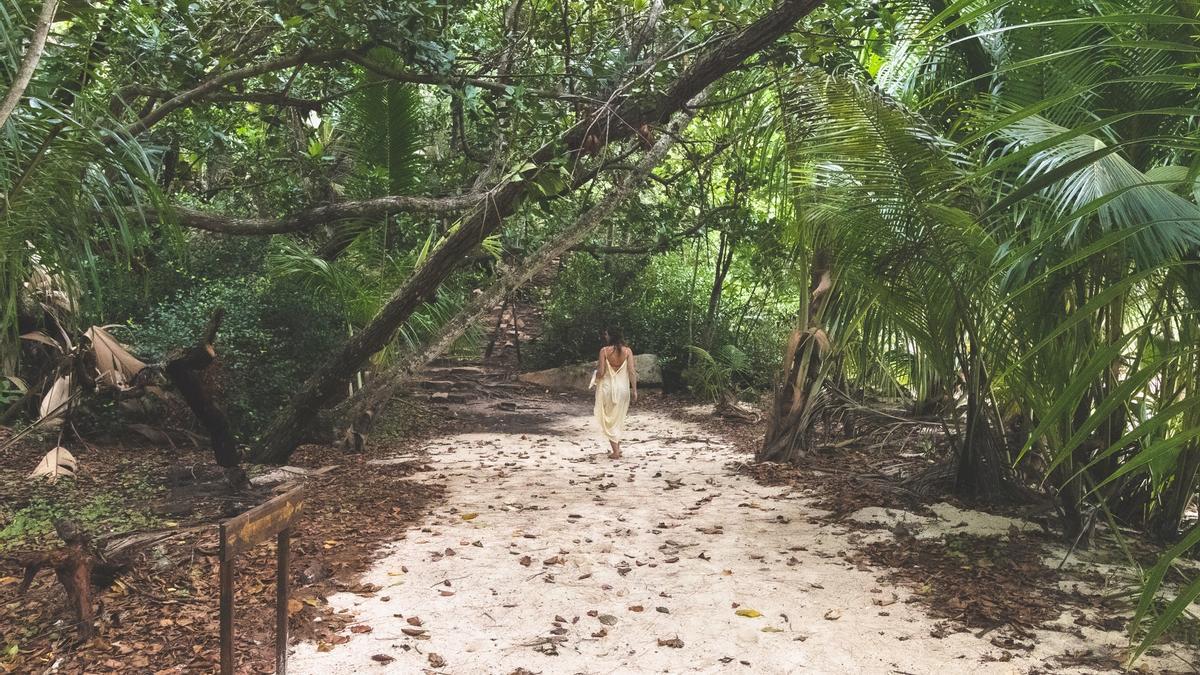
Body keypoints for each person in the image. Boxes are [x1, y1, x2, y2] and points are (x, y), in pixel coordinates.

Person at [592, 327, 637, 459]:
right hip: (623, 389)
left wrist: (594, 376)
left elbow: (600, 372)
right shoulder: (628, 351)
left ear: (611, 336)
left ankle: (616, 452)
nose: (605, 336)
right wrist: (634, 389)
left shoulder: (604, 351)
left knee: (609, 419)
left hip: (608, 388)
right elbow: (632, 372)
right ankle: (617, 447)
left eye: (606, 334)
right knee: (618, 418)